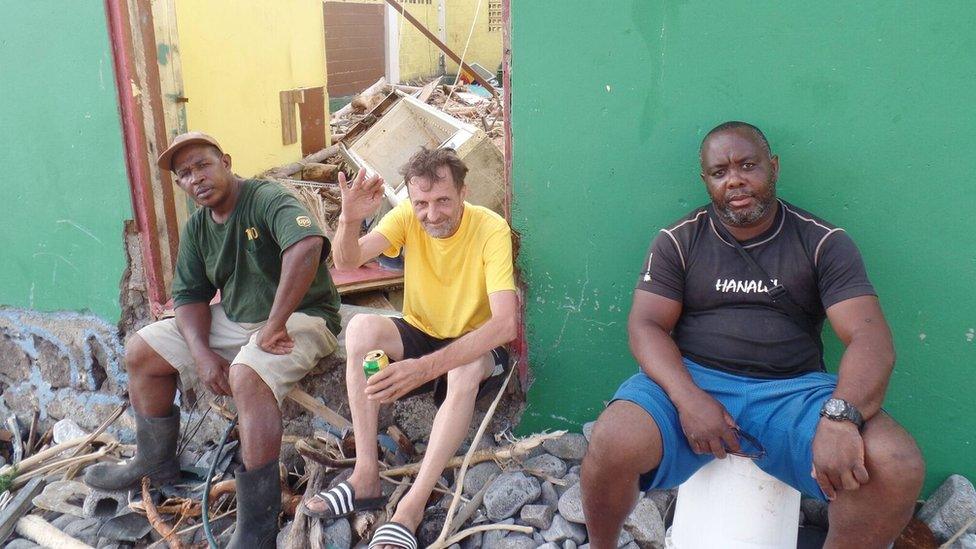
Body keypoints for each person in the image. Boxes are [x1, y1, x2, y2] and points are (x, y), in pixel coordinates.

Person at [581, 122, 925, 548]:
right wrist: (688, 399)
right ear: (706, 180)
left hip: (794, 392)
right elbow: (646, 325)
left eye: (748, 166)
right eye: (720, 172)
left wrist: (841, 417)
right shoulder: (679, 240)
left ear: (773, 167)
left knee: (895, 463)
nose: (736, 180)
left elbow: (870, 338)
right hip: (693, 380)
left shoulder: (822, 242)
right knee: (613, 439)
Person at [83, 132, 342, 548]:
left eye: (203, 165)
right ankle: (156, 462)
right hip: (239, 318)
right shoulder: (200, 226)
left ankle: (256, 527)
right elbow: (188, 296)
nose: (196, 178)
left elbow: (307, 245)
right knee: (141, 350)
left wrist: (274, 324)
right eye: (184, 174)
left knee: (246, 374)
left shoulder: (265, 198)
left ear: (225, 160)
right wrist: (202, 353)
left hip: (301, 315)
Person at [300, 147, 518, 549]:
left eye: (442, 202)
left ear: (463, 192)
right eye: (421, 203)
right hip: (422, 330)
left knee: (464, 369)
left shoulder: (490, 229)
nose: (431, 214)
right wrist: (348, 219)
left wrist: (422, 370)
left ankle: (412, 506)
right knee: (363, 327)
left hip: (476, 342)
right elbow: (347, 260)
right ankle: (365, 474)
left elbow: (504, 324)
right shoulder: (404, 217)